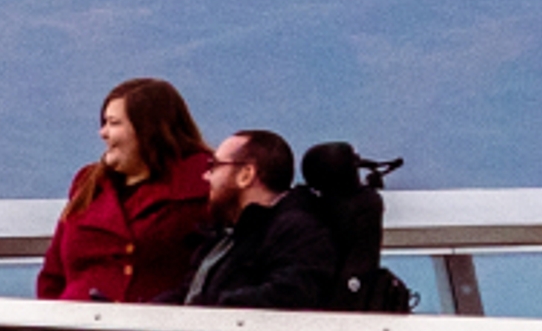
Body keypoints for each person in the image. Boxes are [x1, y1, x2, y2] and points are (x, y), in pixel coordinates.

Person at [35, 79, 214, 303]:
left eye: (113, 123)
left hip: (155, 330)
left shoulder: (203, 182)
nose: (103, 133)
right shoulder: (88, 183)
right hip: (73, 327)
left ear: (147, 129)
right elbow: (54, 272)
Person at [183, 130, 345, 310]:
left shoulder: (298, 233)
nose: (206, 176)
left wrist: (210, 309)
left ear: (246, 175)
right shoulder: (225, 237)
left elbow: (288, 297)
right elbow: (185, 294)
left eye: (214, 165)